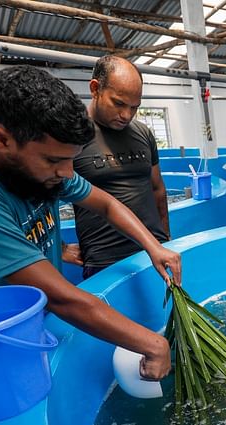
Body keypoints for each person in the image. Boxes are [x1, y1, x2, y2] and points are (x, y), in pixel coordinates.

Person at [0, 65, 181, 380]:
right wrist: (153, 344)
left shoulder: (42, 172)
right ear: (2, 139)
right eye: (55, 160)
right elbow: (59, 296)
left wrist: (154, 247)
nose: (68, 173)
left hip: (37, 317)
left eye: (71, 159)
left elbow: (109, 205)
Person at [73, 55, 169, 279]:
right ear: (95, 88)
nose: (126, 115)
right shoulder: (72, 136)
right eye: (118, 103)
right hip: (105, 260)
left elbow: (158, 190)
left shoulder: (143, 133)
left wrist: (165, 237)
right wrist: (60, 248)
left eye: (134, 107)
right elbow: (38, 197)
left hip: (154, 252)